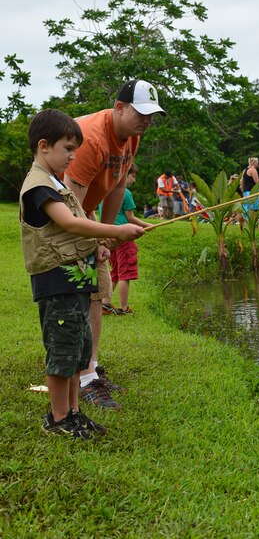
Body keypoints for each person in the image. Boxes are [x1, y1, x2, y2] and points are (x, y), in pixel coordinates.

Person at [19, 109, 144, 439]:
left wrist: (98, 246)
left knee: (78, 348)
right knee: (62, 350)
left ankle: (74, 412)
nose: (74, 156)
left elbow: (78, 227)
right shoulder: (38, 186)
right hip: (57, 281)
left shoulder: (58, 183)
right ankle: (58, 418)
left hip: (78, 276)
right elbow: (70, 222)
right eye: (68, 149)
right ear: (44, 146)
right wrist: (114, 232)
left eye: (76, 149)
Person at [64, 79, 166, 410]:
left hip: (86, 212)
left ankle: (90, 367)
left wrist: (107, 231)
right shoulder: (90, 139)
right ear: (119, 108)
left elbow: (118, 184)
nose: (147, 121)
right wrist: (97, 237)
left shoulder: (131, 136)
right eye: (141, 113)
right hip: (60, 215)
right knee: (77, 291)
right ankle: (81, 374)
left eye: (152, 115)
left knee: (96, 291)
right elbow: (69, 203)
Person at [101, 163, 152, 315]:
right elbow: (131, 218)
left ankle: (105, 303)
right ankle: (123, 308)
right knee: (126, 273)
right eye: (132, 176)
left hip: (109, 235)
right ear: (125, 174)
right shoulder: (125, 193)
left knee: (115, 271)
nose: (133, 180)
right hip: (124, 236)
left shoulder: (105, 191)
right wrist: (148, 225)